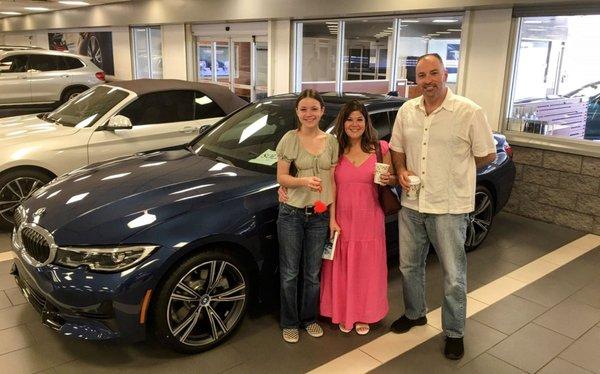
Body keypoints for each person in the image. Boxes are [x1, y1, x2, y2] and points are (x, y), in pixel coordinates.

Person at [389, 53, 496, 360]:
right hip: (411, 203)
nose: (428, 81)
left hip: (450, 206)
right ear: (416, 80)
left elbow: (486, 154)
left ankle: (454, 332)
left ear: (445, 74)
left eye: (433, 73)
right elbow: (396, 148)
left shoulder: (468, 111)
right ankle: (414, 313)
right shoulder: (407, 110)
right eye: (422, 76)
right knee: (409, 265)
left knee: (453, 274)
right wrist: (400, 171)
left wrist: (455, 171)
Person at [319, 100, 396, 335]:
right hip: (342, 218)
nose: (354, 124)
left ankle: (364, 313)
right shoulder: (335, 150)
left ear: (366, 122)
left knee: (367, 268)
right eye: (349, 119)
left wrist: (389, 180)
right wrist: (331, 219)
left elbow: (392, 179)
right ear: (343, 123)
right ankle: (344, 311)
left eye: (359, 119)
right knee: (341, 267)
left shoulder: (381, 148)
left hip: (370, 218)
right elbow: (329, 186)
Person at [275, 89, 339, 343]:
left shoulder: (331, 142)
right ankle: (289, 322)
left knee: (313, 273)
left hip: (320, 216)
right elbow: (281, 177)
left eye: (314, 109)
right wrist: (301, 181)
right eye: (304, 109)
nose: (309, 114)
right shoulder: (289, 138)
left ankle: (309, 318)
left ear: (322, 111)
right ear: (297, 112)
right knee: (290, 272)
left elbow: (333, 183)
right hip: (292, 213)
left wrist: (333, 218)